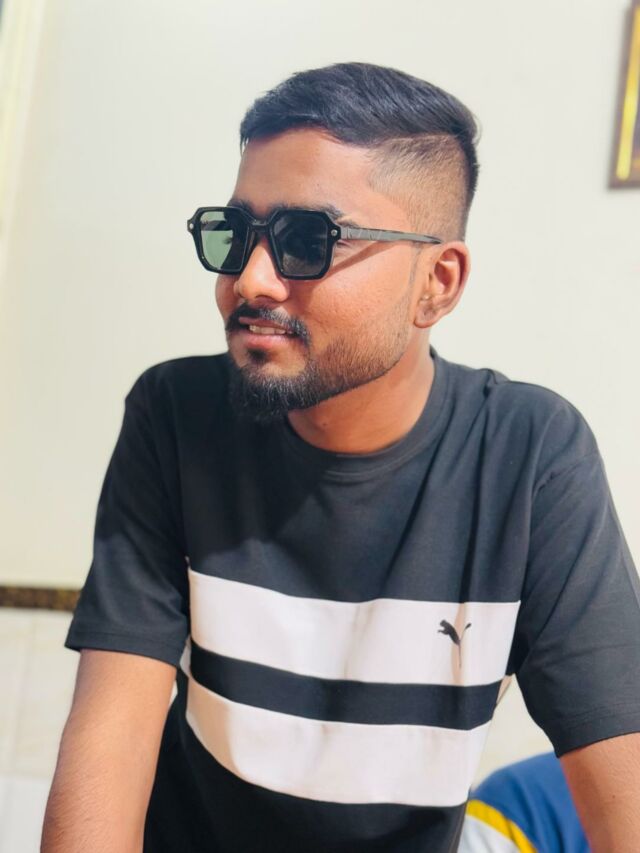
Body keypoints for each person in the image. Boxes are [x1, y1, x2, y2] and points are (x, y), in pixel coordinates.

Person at [42, 62, 640, 853]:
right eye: (235, 233)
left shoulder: (529, 456)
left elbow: (624, 788)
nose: (249, 279)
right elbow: (110, 740)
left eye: (306, 240)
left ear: (437, 283)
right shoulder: (179, 417)